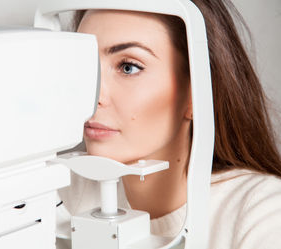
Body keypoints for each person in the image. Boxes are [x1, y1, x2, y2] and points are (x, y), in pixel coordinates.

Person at [57, 0, 281, 248]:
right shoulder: (57, 193)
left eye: (128, 67)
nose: (91, 97)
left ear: (197, 94)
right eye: (85, 65)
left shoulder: (263, 216)